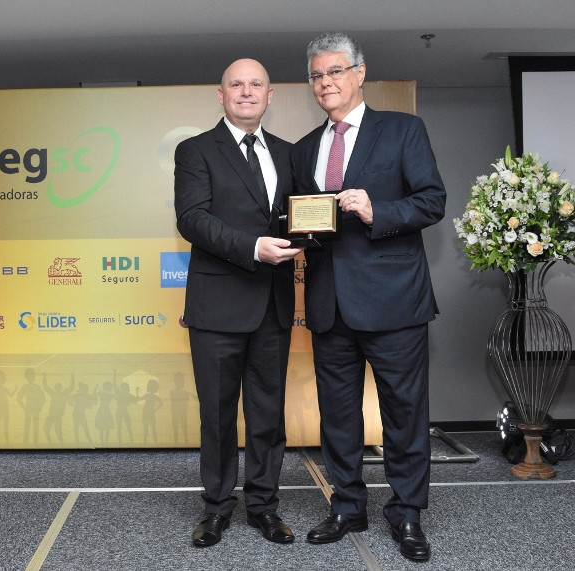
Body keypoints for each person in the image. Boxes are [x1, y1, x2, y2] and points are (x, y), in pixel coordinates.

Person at [292, 33, 446, 562]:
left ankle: (407, 512)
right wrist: (295, 233)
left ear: (360, 73)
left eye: (335, 71)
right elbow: (304, 220)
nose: (325, 82)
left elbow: (432, 201)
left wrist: (376, 209)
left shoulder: (404, 130)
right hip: (328, 303)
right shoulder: (305, 147)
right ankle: (347, 506)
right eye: (317, 75)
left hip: (394, 302)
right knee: (337, 416)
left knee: (404, 413)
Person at [174, 58, 304, 547]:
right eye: (236, 84)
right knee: (218, 415)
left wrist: (321, 227)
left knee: (269, 416)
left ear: (270, 96)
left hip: (273, 304)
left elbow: (300, 218)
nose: (246, 92)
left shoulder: (290, 154)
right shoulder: (195, 150)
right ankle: (216, 508)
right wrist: (252, 247)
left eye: (256, 85)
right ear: (221, 95)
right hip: (217, 306)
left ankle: (264, 507)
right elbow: (192, 219)